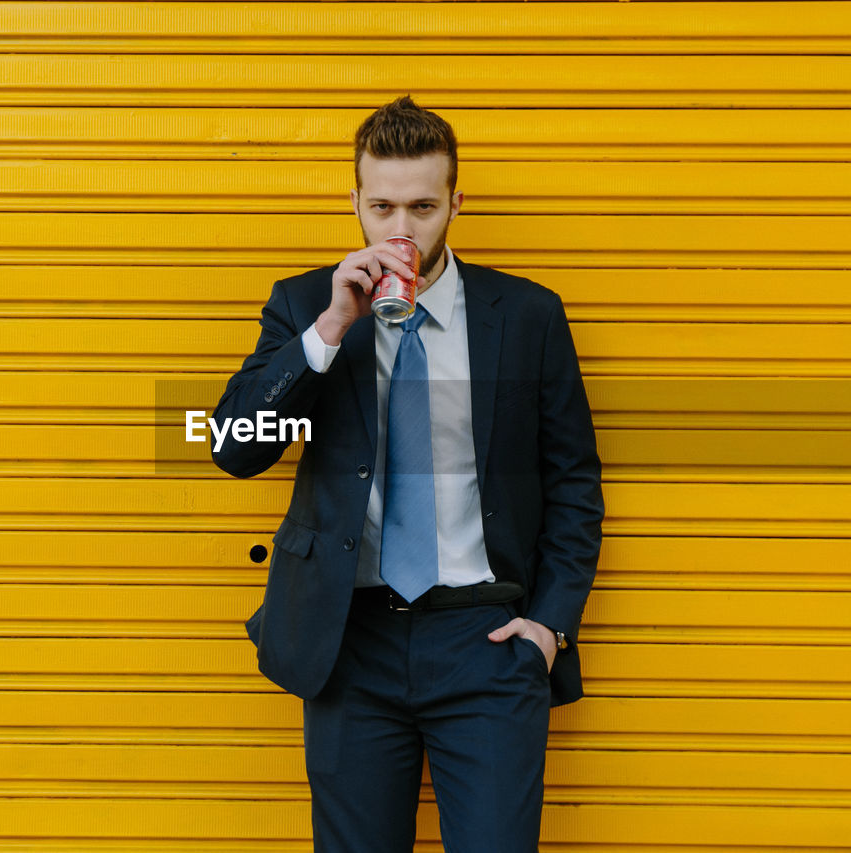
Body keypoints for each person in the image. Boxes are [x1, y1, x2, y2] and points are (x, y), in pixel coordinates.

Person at [210, 95, 604, 853]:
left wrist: (547, 629)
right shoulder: (304, 305)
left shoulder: (526, 316)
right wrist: (329, 329)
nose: (400, 231)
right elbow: (235, 445)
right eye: (382, 205)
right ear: (352, 200)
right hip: (349, 643)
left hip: (485, 641)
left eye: (422, 206)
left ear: (456, 201)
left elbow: (574, 483)